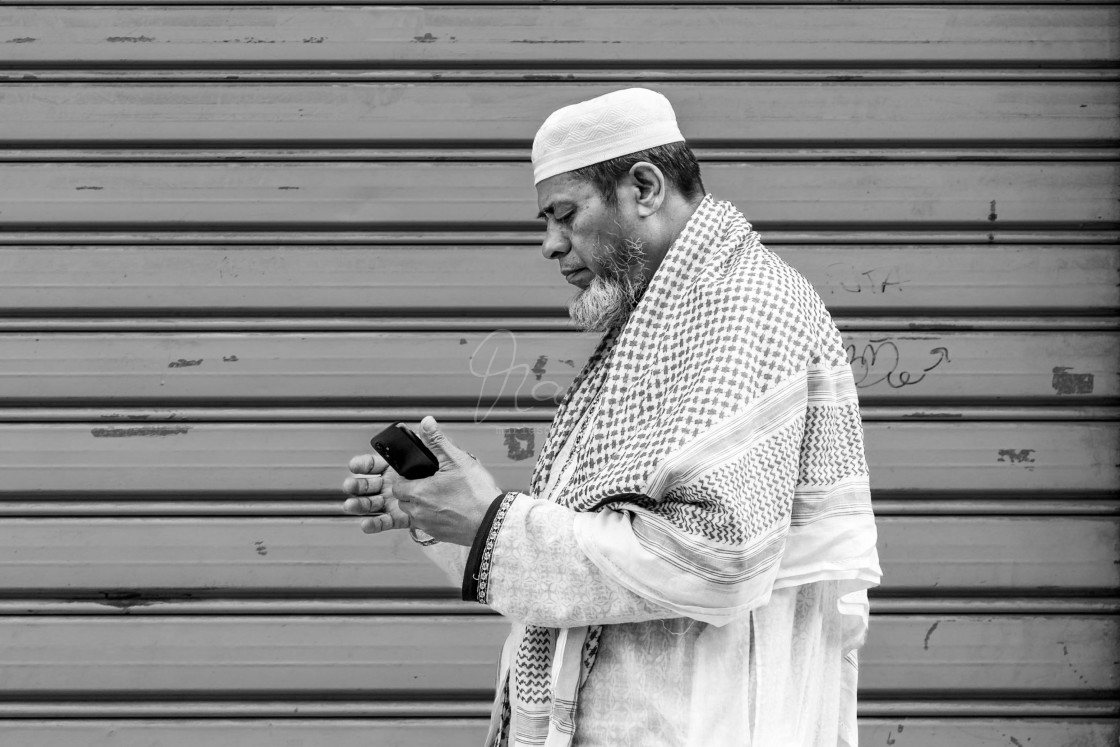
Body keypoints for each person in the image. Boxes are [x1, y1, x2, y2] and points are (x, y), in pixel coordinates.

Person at [343, 87, 881, 747]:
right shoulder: (656, 322)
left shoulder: (745, 303)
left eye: (565, 214)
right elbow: (577, 562)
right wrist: (444, 513)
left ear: (644, 188)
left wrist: (490, 522)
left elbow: (717, 555)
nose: (550, 244)